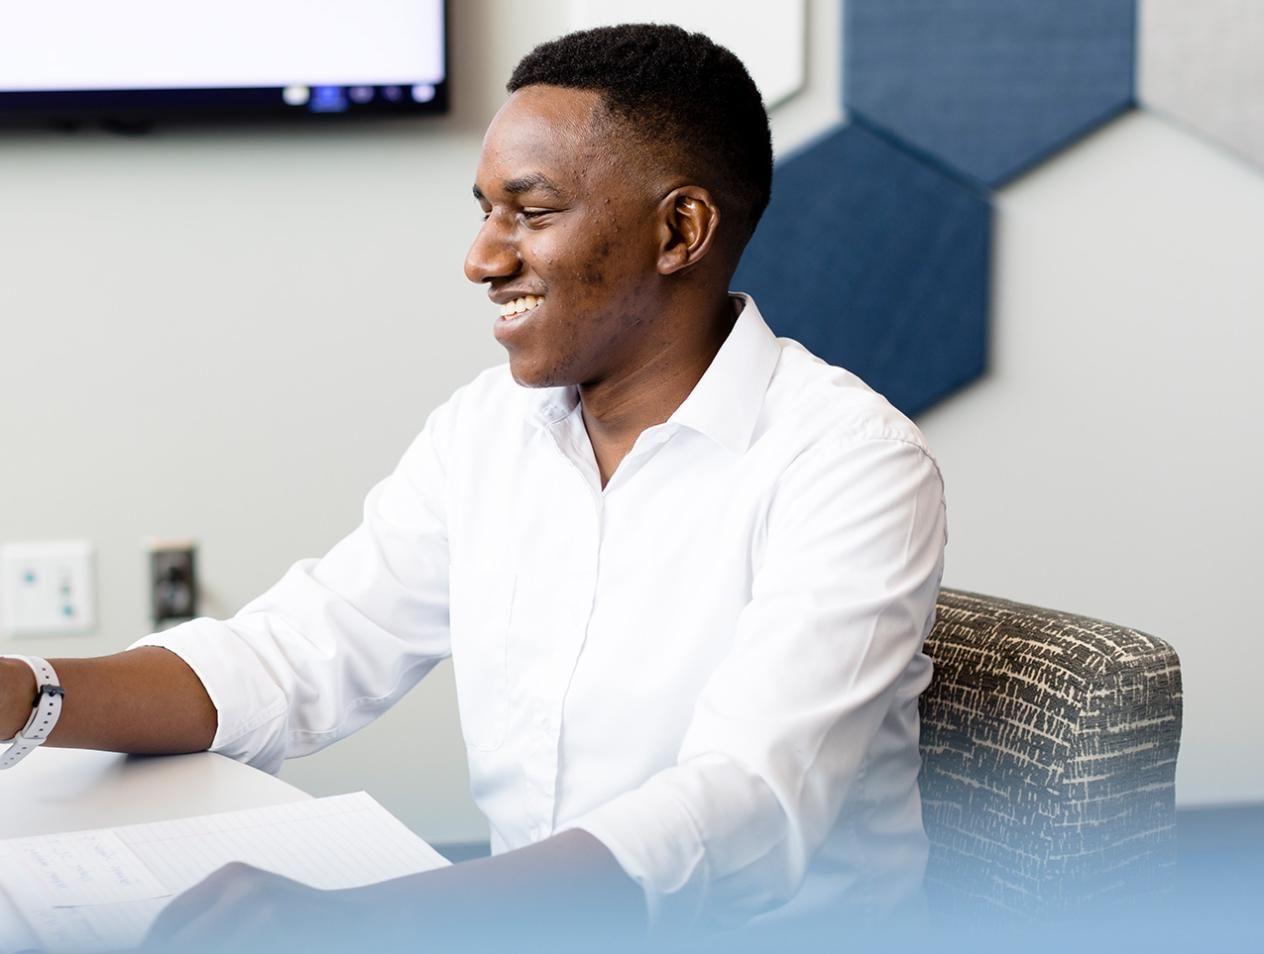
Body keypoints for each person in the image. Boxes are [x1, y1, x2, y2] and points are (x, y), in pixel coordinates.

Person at [0, 24, 946, 951]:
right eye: (485, 212)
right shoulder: (487, 431)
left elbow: (743, 801)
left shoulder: (851, 463)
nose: (483, 259)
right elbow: (295, 657)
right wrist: (26, 695)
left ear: (680, 229)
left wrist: (380, 916)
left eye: (530, 215)